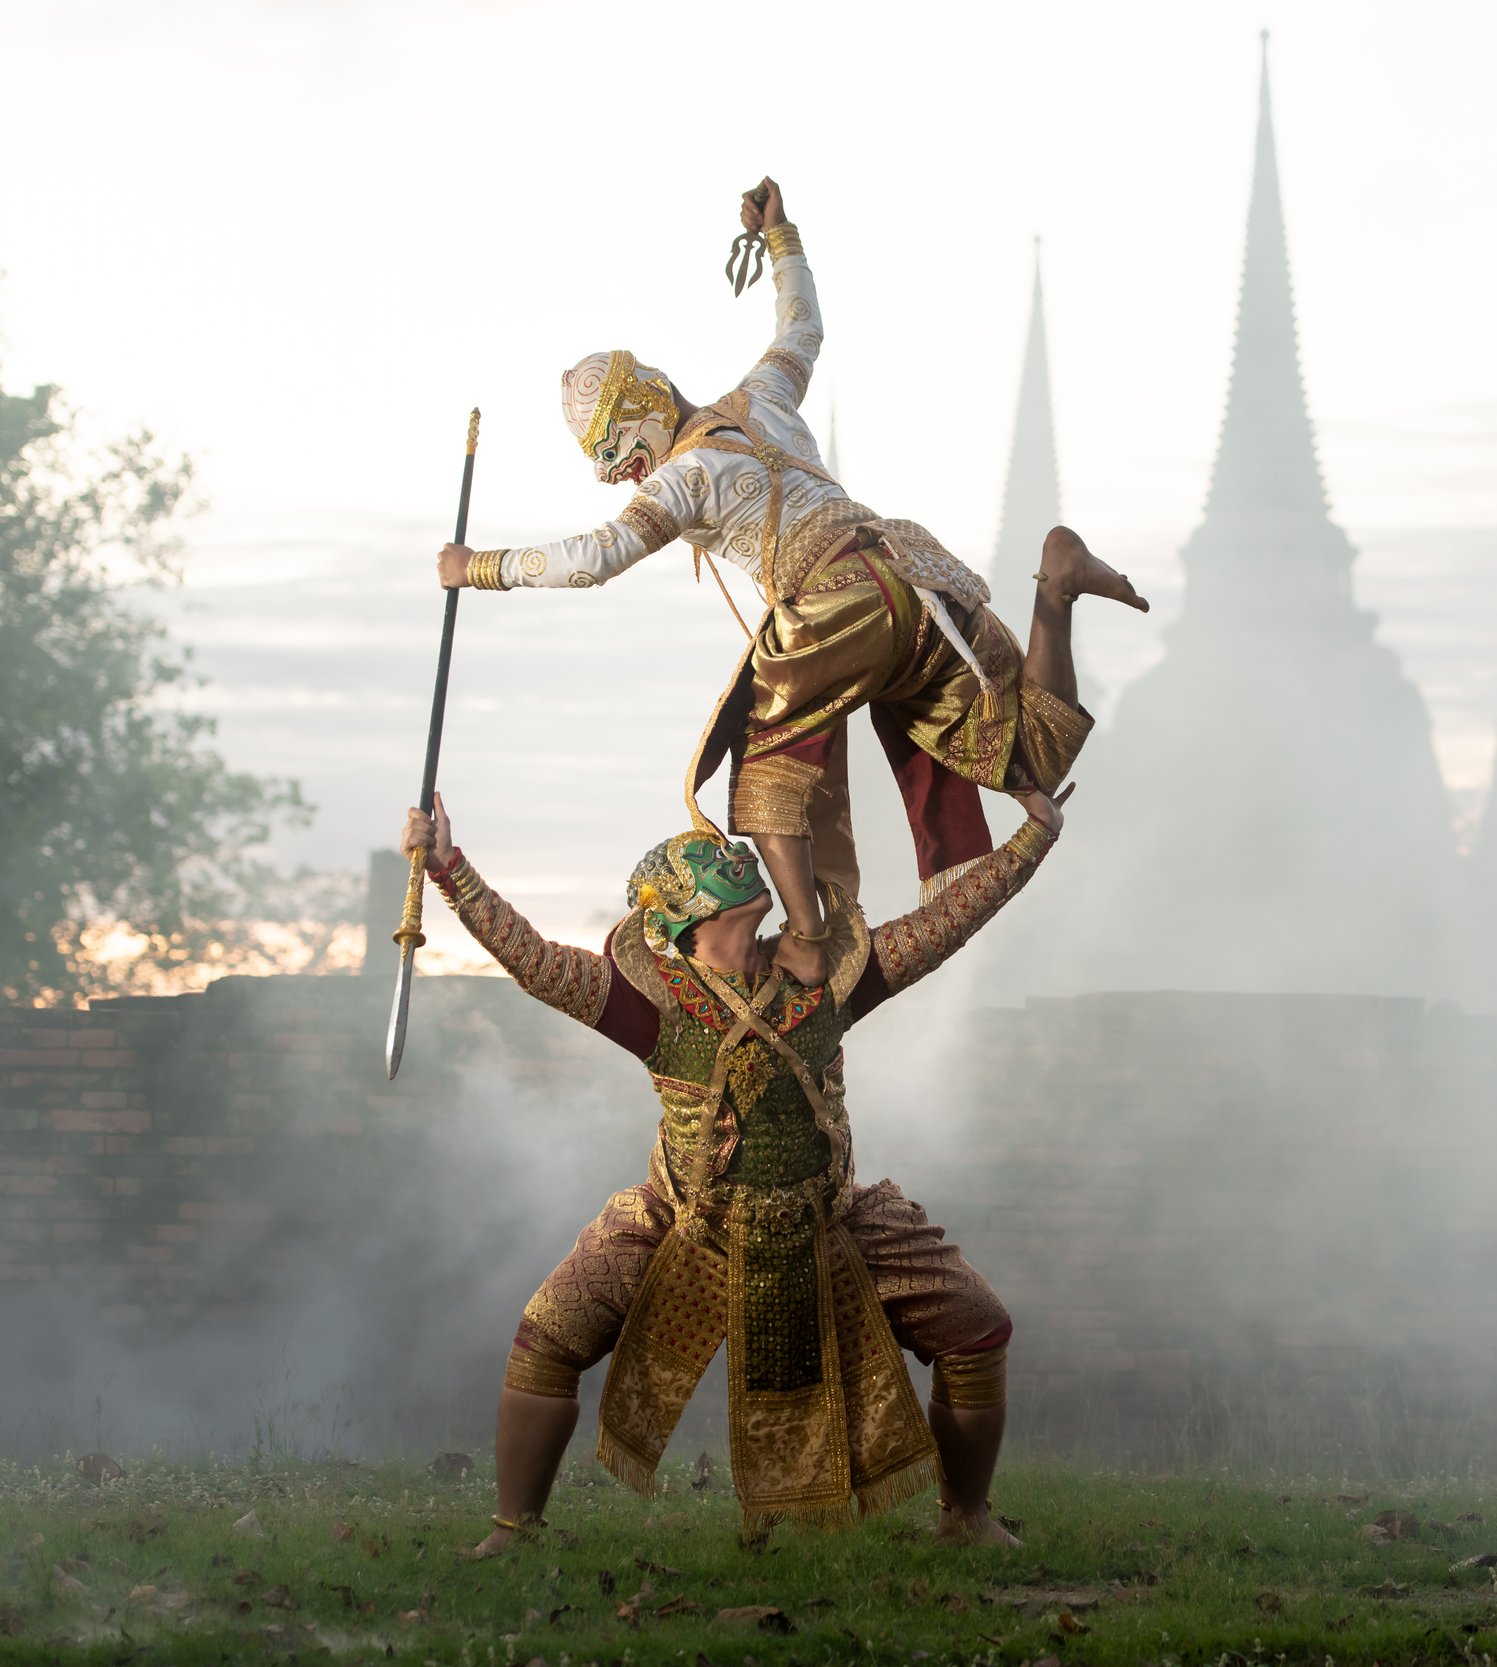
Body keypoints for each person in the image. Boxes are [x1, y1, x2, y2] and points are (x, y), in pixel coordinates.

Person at [433, 175, 1143, 990]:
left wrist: (475, 567)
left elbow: (597, 557)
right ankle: (1055, 587)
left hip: (832, 602)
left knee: (767, 771)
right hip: (914, 573)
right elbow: (803, 324)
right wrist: (782, 237)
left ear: (645, 412)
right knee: (1029, 752)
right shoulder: (764, 395)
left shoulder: (686, 475)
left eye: (621, 456)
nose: (627, 475)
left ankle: (807, 938)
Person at [400, 785, 1063, 1551]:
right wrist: (449, 867)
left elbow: (944, 924)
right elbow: (534, 960)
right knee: (548, 1334)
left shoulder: (825, 977)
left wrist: (1031, 840)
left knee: (977, 1327)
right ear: (683, 908)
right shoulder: (652, 1001)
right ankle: (513, 1530)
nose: (741, 854)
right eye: (713, 859)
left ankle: (966, 1518)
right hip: (689, 1222)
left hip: (829, 1217)